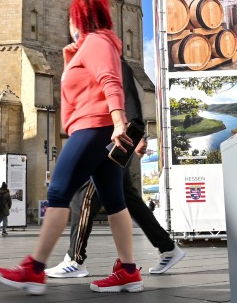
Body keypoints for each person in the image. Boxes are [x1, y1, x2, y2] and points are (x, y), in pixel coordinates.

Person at [0, 0, 141, 295]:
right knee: (115, 202)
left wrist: (117, 122)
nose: (69, 26)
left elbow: (110, 82)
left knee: (58, 191)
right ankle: (128, 271)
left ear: (79, 18)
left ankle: (34, 268)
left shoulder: (96, 42)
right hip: (98, 128)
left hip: (92, 128)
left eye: (71, 19)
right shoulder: (94, 45)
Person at [46, 61, 185, 278]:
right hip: (110, 139)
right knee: (129, 199)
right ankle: (168, 248)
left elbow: (129, 103)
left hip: (113, 143)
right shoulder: (98, 59)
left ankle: (75, 259)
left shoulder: (112, 61)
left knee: (84, 198)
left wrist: (135, 135)